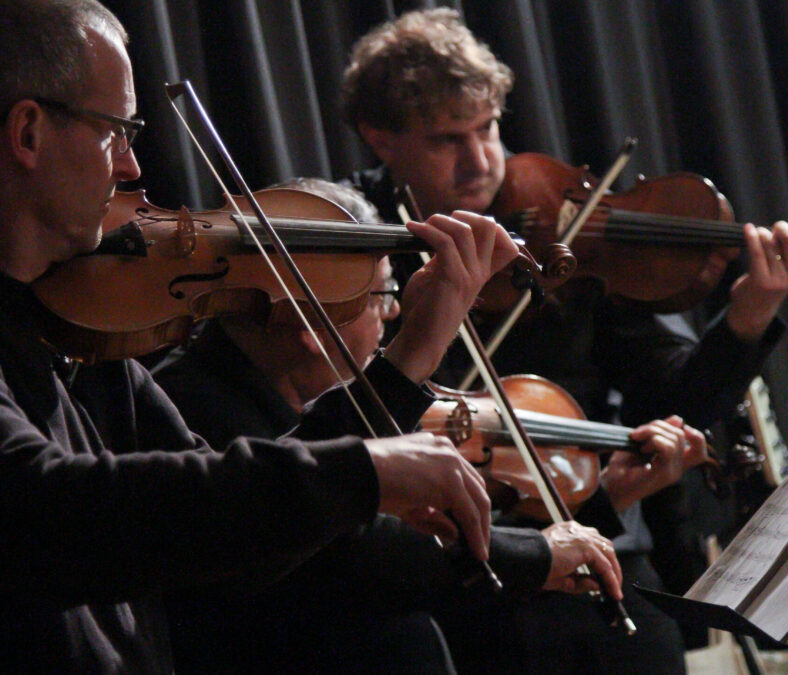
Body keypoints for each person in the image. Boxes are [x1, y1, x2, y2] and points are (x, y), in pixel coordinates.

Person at [0, 2, 558, 671]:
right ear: (29, 131)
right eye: (117, 132)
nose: (133, 168)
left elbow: (232, 536)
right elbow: (43, 512)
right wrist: (367, 468)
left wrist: (407, 359)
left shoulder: (71, 314)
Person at [341, 8, 788, 674]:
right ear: (380, 138)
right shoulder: (361, 246)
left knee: (642, 641)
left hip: (594, 542)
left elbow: (678, 400)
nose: (481, 160)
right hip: (454, 581)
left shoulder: (564, 240)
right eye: (447, 140)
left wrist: (749, 312)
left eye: (488, 129)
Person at [154, 177, 706, 674]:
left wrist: (600, 501)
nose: (393, 314)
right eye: (383, 296)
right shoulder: (195, 409)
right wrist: (538, 552)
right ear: (309, 325)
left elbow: (451, 546)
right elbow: (367, 556)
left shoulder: (306, 400)